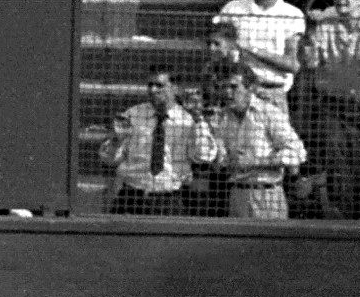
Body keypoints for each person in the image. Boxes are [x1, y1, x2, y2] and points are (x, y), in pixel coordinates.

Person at [102, 70, 216, 214]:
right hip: (131, 197)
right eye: (150, 85)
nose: (152, 90)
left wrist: (199, 122)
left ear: (175, 88)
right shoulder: (134, 114)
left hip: (169, 200)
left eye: (159, 85)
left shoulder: (188, 119)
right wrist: (116, 140)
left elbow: (204, 157)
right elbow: (109, 159)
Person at [208, 70, 309, 219]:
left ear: (250, 88)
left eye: (234, 87)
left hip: (267, 195)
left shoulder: (269, 112)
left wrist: (257, 162)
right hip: (237, 195)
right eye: (223, 87)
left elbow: (297, 152)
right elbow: (220, 165)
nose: (227, 92)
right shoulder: (222, 118)